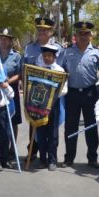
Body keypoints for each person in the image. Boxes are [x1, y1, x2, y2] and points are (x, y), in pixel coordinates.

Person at [60, 21, 99, 168]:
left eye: (86, 33)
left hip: (90, 93)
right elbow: (60, 70)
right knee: (71, 127)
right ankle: (69, 158)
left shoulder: (97, 53)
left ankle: (92, 158)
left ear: (90, 35)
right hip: (72, 93)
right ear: (75, 36)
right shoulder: (67, 52)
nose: (83, 36)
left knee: (91, 127)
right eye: (80, 33)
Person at [22, 17, 63, 159]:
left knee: (52, 128)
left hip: (52, 96)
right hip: (34, 95)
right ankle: (33, 151)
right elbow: (25, 69)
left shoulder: (59, 48)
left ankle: (51, 156)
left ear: (51, 32)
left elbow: (61, 73)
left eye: (45, 30)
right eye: (40, 30)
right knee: (33, 124)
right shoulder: (29, 47)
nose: (42, 32)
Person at [36, 44, 67, 171]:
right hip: (39, 105)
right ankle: (42, 159)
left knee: (53, 134)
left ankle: (52, 159)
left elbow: (64, 90)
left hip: (54, 105)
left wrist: (52, 93)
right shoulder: (37, 69)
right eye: (45, 56)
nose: (47, 58)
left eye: (50, 56)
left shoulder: (60, 71)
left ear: (55, 57)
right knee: (41, 132)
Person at [0, 28, 22, 159]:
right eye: (1, 39)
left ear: (11, 41)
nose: (3, 41)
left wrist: (8, 81)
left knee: (13, 119)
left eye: (6, 39)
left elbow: (20, 74)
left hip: (11, 89)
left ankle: (12, 147)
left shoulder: (17, 56)